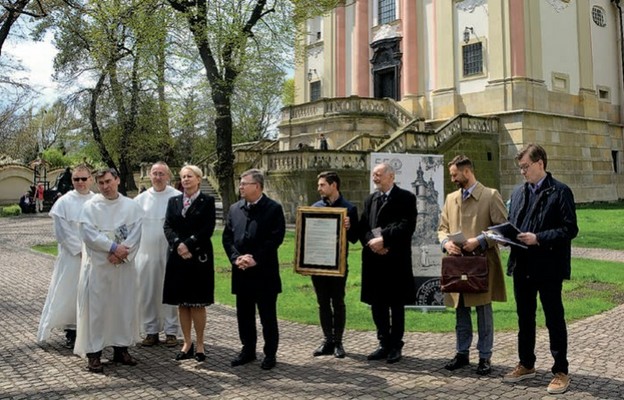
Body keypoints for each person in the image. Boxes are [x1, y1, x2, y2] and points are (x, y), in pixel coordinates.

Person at [502, 143, 578, 394]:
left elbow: (569, 229)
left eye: (525, 167)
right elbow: (514, 223)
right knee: (525, 318)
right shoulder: (519, 192)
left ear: (540, 164)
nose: (522, 172)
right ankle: (526, 364)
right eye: (520, 168)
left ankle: (560, 370)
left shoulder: (560, 191)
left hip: (548, 267)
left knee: (554, 318)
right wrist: (505, 237)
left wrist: (539, 238)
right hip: (522, 265)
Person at [437, 155, 508, 375]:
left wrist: (478, 240)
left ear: (467, 172)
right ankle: (462, 353)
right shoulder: (450, 199)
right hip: (457, 265)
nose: (452, 179)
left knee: (483, 312)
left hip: (482, 265)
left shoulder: (490, 195)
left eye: (455, 174)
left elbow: (504, 230)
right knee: (460, 311)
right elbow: (441, 228)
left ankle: (485, 357)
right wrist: (446, 242)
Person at [74, 168, 144, 373]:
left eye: (108, 181)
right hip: (99, 266)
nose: (105, 186)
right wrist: (112, 248)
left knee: (123, 307)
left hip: (123, 267)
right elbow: (89, 233)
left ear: (118, 180)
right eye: (101, 183)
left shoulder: (131, 206)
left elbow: (137, 233)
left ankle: (121, 349)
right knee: (98, 310)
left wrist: (122, 253)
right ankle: (94, 353)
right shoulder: (90, 206)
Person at [222, 168, 286, 370]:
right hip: (241, 272)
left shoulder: (273, 208)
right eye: (240, 183)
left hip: (264, 272)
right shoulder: (234, 209)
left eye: (244, 183)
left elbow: (275, 238)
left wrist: (255, 258)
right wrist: (236, 258)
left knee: (267, 316)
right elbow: (227, 237)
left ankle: (270, 354)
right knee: (244, 315)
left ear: (257, 186)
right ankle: (248, 350)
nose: (240, 186)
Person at [359, 162, 416, 364]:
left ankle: (395, 345)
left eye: (379, 174)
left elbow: (406, 225)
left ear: (391, 177)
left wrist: (383, 239)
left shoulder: (406, 198)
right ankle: (383, 342)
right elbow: (363, 227)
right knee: (377, 304)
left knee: (396, 304)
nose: (375, 178)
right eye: (373, 174)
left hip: (395, 261)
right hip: (375, 262)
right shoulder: (370, 200)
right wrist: (372, 243)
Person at [162, 165, 216, 363]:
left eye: (190, 176)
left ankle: (200, 344)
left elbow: (207, 228)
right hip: (178, 257)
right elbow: (167, 226)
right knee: (183, 304)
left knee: (197, 303)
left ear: (199, 179)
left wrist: (189, 244)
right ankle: (187, 343)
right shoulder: (173, 201)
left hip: (198, 257)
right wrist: (178, 244)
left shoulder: (207, 201)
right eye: (183, 177)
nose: (186, 180)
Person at [37, 165, 94, 348]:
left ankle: (91, 329)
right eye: (76, 179)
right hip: (73, 257)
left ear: (90, 179)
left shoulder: (97, 201)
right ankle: (72, 332)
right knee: (70, 293)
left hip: (94, 256)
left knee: (92, 293)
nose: (80, 183)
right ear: (72, 181)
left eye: (84, 179)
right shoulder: (64, 202)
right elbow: (62, 233)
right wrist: (80, 251)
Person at [310, 171, 359, 359]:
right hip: (318, 264)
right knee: (322, 303)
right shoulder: (315, 207)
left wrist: (350, 227)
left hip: (338, 265)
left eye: (322, 185)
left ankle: (338, 342)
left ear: (334, 185)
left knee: (338, 302)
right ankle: (327, 340)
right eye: (319, 185)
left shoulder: (349, 208)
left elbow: (355, 239)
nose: (319, 188)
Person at [134, 162, 182, 348]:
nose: (158, 177)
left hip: (170, 254)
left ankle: (171, 331)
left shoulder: (177, 197)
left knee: (170, 294)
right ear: (150, 176)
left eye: (162, 173)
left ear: (168, 176)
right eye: (155, 173)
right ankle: (150, 330)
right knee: (147, 294)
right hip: (146, 254)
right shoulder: (140, 200)